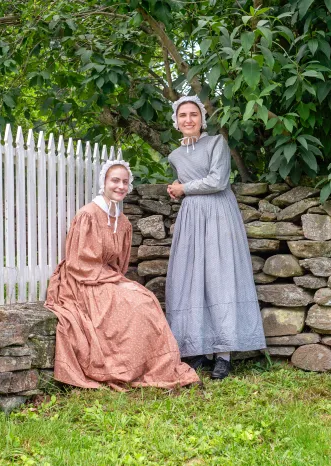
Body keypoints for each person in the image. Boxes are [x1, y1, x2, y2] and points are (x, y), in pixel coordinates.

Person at [45, 160, 200, 390]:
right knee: (134, 303)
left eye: (125, 182)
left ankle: (151, 366)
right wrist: (114, 282)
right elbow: (78, 262)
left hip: (105, 278)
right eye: (114, 180)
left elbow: (119, 265)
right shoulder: (88, 214)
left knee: (145, 299)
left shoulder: (123, 221)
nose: (120, 186)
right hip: (81, 280)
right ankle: (125, 367)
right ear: (104, 183)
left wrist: (117, 281)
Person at [165, 95, 266, 380]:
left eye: (193, 115)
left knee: (221, 278)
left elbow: (218, 180)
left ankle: (224, 354)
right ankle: (198, 348)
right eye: (182, 115)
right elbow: (186, 186)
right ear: (176, 121)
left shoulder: (216, 143)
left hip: (219, 214)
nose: (188, 120)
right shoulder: (174, 155)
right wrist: (175, 189)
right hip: (192, 218)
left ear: (201, 119)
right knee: (194, 278)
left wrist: (183, 188)